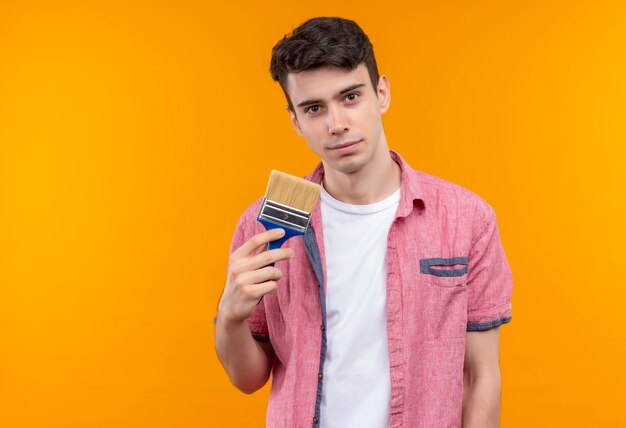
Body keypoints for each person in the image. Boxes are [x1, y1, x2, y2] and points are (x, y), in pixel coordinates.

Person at [214, 17, 513, 428]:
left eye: (351, 97)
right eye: (314, 108)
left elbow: (480, 376)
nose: (336, 124)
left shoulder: (465, 219)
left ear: (382, 93)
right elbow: (248, 379)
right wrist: (230, 316)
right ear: (295, 120)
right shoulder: (264, 223)